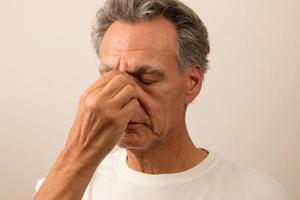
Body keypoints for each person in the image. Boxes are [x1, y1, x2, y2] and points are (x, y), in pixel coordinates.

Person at [34, 0, 289, 199]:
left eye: (146, 79)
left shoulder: (256, 194)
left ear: (192, 82)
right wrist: (79, 153)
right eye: (110, 77)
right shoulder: (68, 185)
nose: (123, 98)